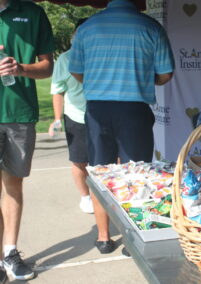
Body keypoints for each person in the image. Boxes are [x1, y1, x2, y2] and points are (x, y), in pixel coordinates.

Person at [69, 0, 174, 254]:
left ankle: (104, 237)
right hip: (134, 110)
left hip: (98, 109)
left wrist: (98, 81)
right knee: (137, 175)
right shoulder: (150, 27)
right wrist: (140, 78)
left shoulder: (88, 27)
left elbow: (76, 71)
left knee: (98, 172)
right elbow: (165, 74)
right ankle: (132, 239)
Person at [0, 0, 54, 280]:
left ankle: (10, 253)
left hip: (19, 114)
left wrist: (20, 68)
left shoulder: (33, 13)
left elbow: (47, 68)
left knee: (12, 185)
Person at [48, 18, 94, 214]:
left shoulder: (100, 54)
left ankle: (110, 197)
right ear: (73, 35)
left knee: (110, 160)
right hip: (75, 116)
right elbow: (57, 90)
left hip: (101, 114)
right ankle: (85, 197)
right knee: (79, 161)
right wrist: (57, 119)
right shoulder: (64, 59)